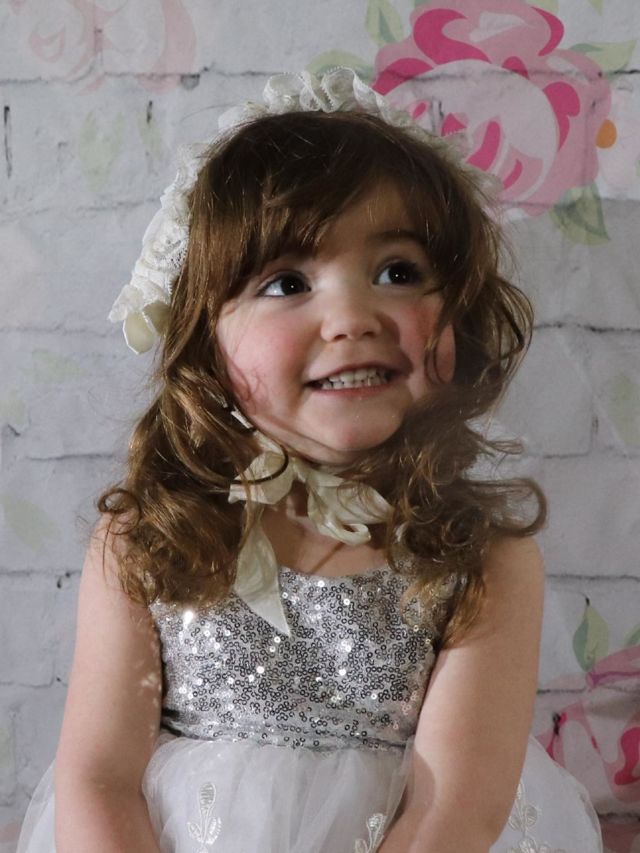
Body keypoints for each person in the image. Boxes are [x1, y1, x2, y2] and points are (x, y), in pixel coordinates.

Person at [16, 68, 602, 853]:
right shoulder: (146, 541)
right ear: (207, 343)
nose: (352, 316)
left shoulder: (483, 559)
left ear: (458, 315)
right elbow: (101, 777)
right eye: (287, 282)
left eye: (398, 272)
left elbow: (455, 809)